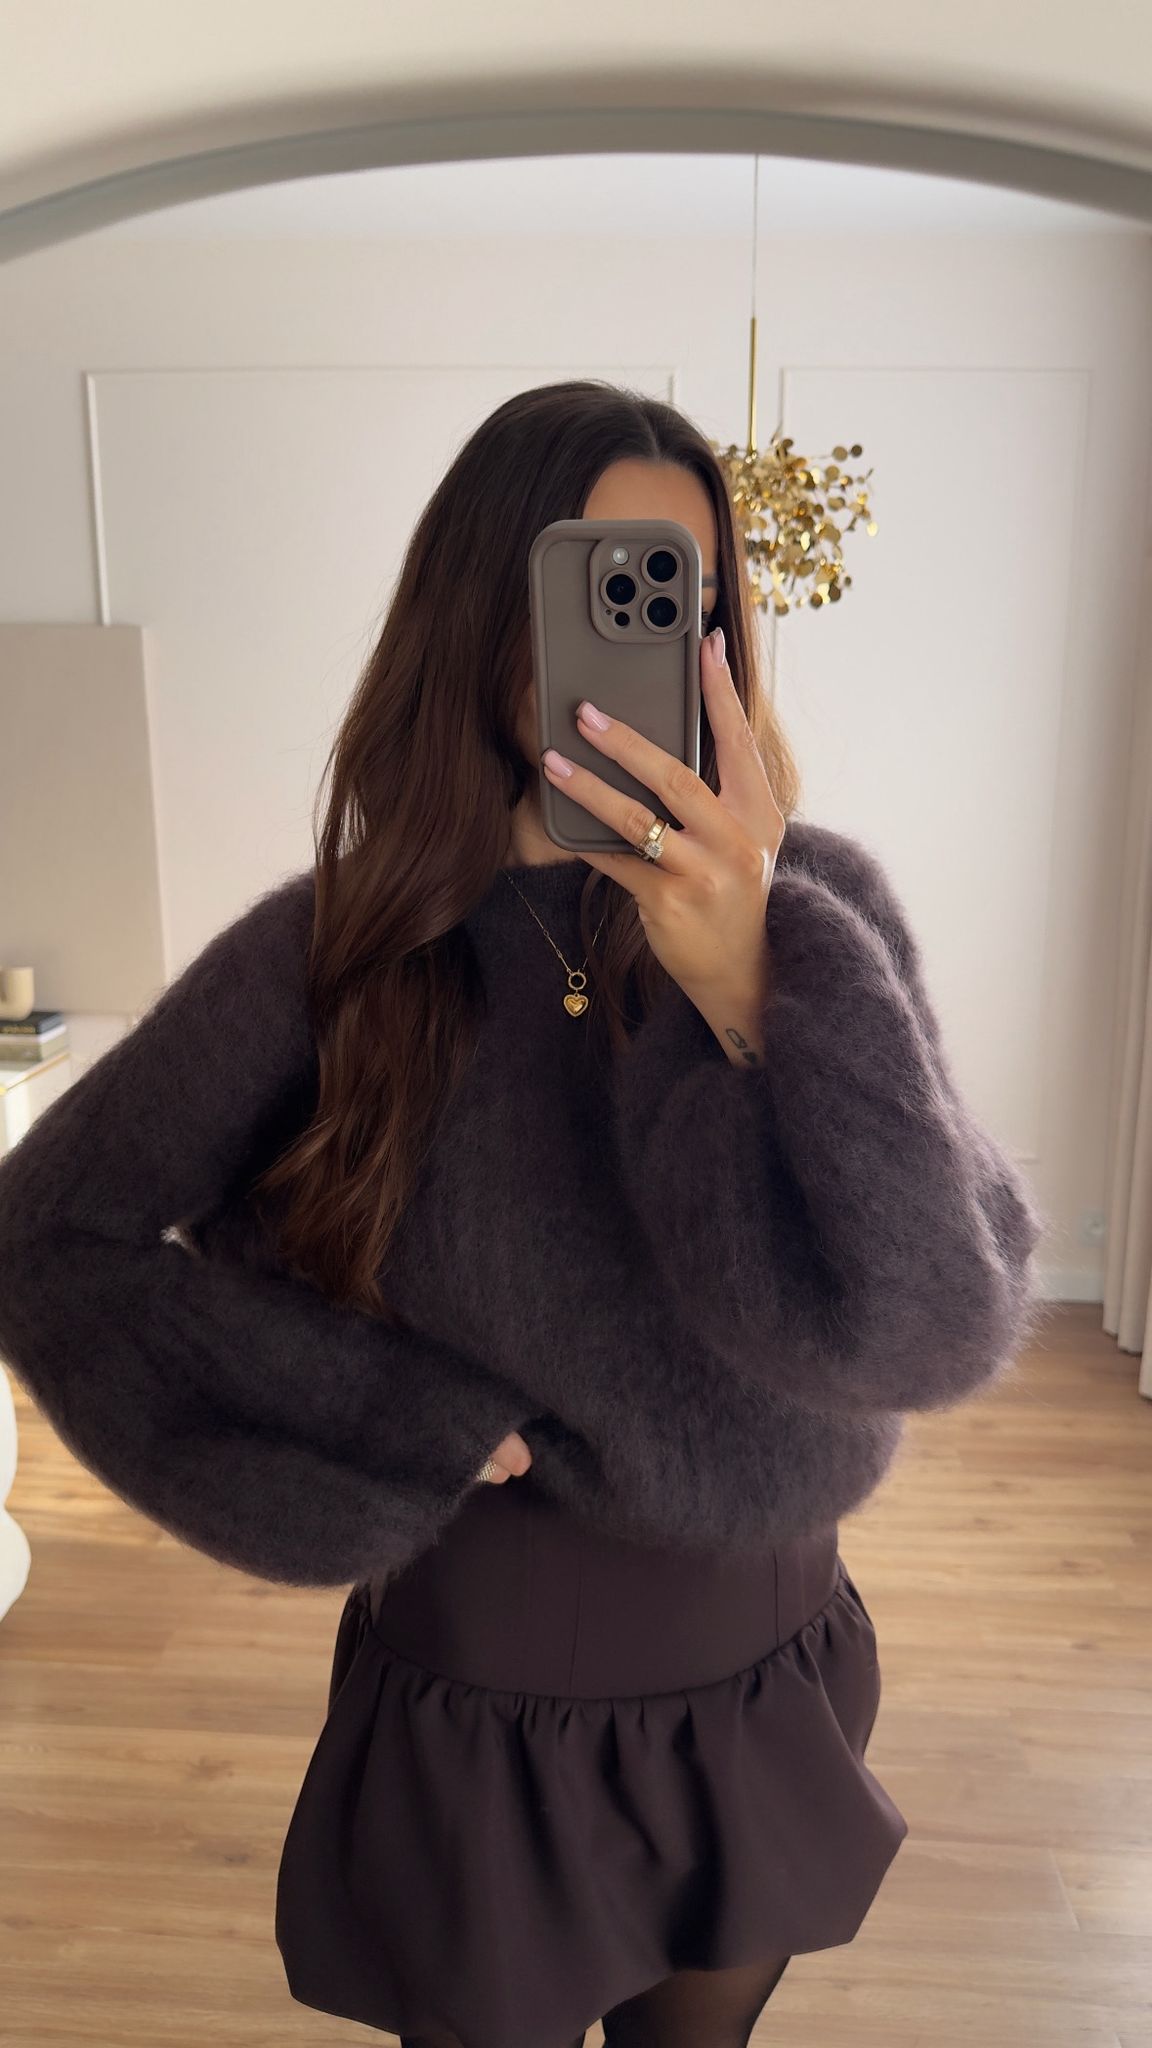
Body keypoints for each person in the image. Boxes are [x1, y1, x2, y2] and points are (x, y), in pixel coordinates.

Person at [0, 380, 1048, 2048]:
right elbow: (47, 1242)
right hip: (482, 1696)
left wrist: (756, 986)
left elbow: (936, 1328)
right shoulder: (335, 956)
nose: (646, 634)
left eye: (683, 594)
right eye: (601, 584)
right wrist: (383, 1409)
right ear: (487, 607)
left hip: (766, 1660)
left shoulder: (816, 912)